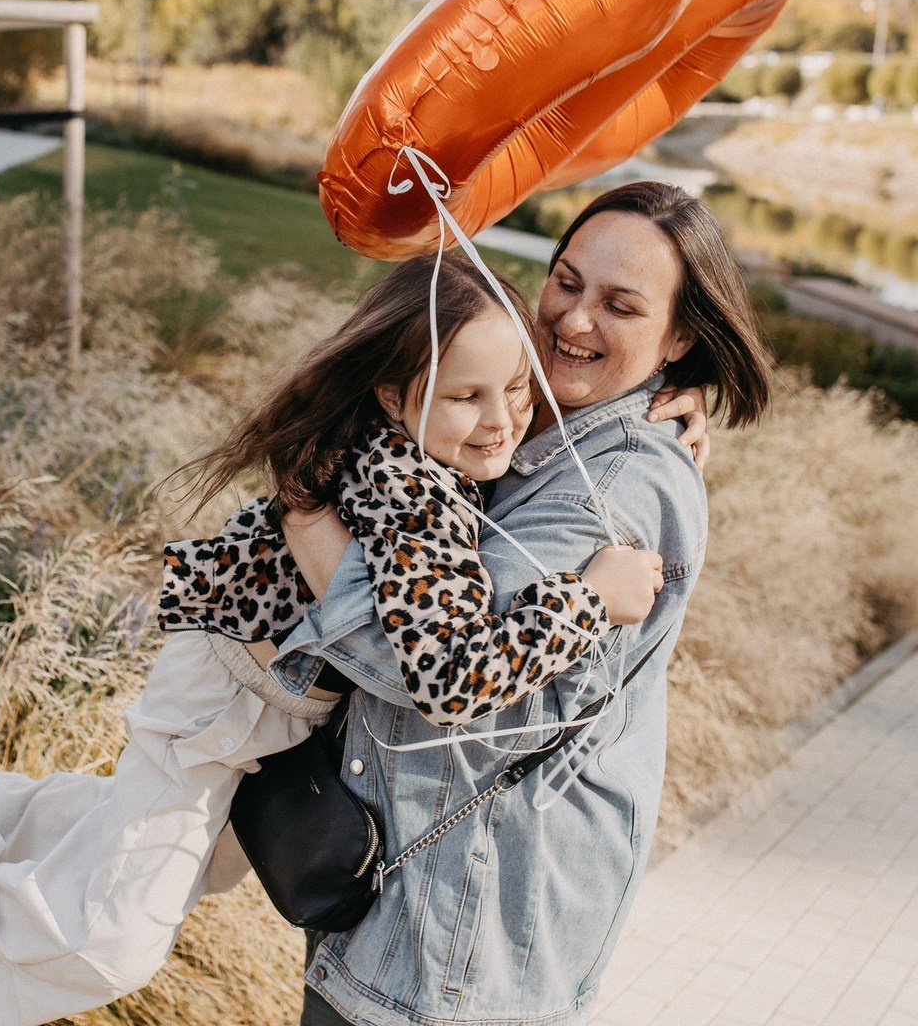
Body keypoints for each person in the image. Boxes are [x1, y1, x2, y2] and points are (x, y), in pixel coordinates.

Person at [0, 256, 666, 1026]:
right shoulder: (416, 498)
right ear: (394, 398)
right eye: (466, 396)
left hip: (253, 696)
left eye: (517, 388)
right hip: (227, 696)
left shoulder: (429, 453)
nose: (503, 421)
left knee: (179, 860)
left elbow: (541, 433)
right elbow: (447, 676)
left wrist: (673, 398)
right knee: (112, 940)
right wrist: (590, 599)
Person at [276, 180, 773, 1026]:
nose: (573, 320)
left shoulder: (606, 488)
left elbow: (424, 659)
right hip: (432, 924)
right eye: (567, 281)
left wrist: (303, 510)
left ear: (682, 333)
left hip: (448, 948)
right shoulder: (550, 423)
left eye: (620, 305)